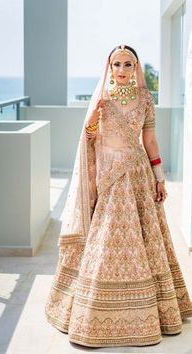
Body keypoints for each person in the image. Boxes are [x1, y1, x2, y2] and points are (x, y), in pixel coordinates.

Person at [45, 44, 192, 348]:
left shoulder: (145, 99)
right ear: (109, 68)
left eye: (129, 64)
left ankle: (147, 315)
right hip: (110, 176)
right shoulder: (102, 98)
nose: (123, 70)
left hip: (137, 175)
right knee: (105, 239)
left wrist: (159, 177)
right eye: (117, 64)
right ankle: (93, 315)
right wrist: (96, 117)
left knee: (144, 240)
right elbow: (88, 136)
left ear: (136, 67)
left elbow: (149, 140)